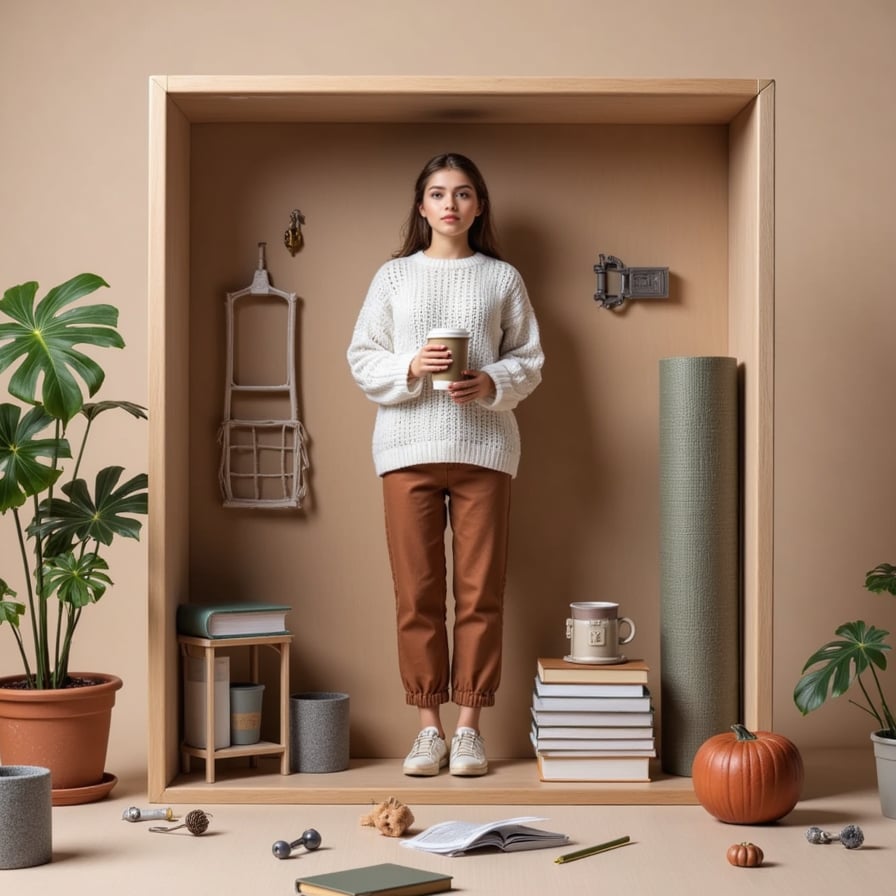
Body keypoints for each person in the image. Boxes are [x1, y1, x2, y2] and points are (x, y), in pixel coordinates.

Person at [347, 152, 544, 777]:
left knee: (480, 593)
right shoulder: (393, 277)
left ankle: (468, 730)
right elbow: (361, 355)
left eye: (462, 193)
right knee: (418, 595)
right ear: (422, 206)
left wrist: (489, 382)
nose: (450, 204)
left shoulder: (502, 278)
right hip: (406, 453)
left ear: (479, 205)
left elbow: (531, 360)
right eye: (437, 193)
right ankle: (427, 727)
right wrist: (411, 367)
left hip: (485, 452)